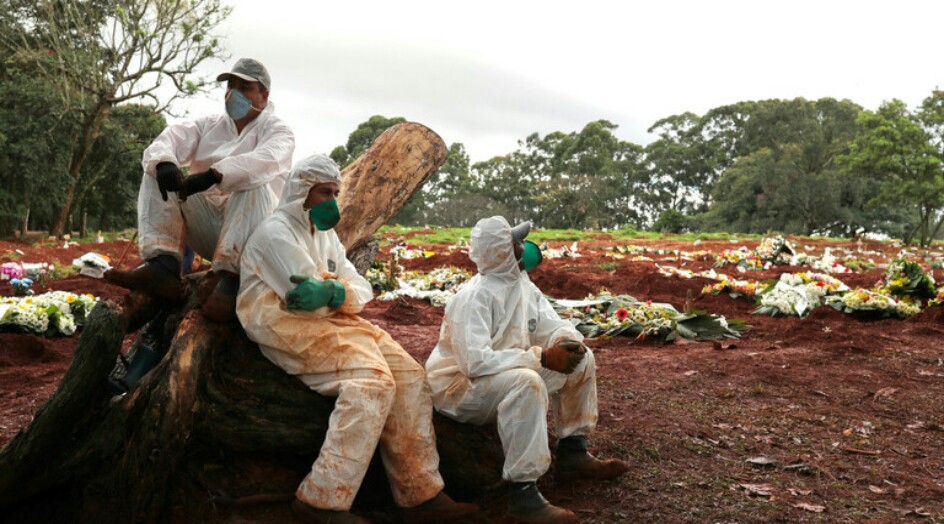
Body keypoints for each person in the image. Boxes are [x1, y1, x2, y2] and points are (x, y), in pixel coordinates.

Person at [236, 153, 478, 524]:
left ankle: (420, 493)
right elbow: (307, 306)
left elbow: (363, 290)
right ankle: (321, 500)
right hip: (282, 323)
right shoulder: (275, 233)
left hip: (335, 319)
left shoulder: (326, 235)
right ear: (302, 191)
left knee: (411, 377)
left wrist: (334, 292)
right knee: (373, 383)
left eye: (335, 191)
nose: (332, 201)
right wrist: (338, 293)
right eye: (323, 192)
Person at [425, 216, 630, 524]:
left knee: (582, 360)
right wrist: (541, 358)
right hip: (458, 389)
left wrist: (565, 341)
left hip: (500, 377)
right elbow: (474, 363)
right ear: (502, 253)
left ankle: (573, 451)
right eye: (518, 243)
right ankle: (523, 494)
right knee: (527, 381)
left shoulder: (522, 285)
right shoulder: (473, 298)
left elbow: (552, 324)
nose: (526, 248)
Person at [105, 58, 295, 322]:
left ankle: (228, 282)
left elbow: (266, 161)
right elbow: (167, 141)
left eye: (245, 87)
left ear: (264, 96)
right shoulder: (209, 125)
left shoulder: (278, 131)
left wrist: (215, 175)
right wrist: (166, 163)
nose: (234, 93)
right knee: (155, 170)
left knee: (253, 183)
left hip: (257, 240)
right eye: (231, 85)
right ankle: (163, 267)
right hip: (213, 231)